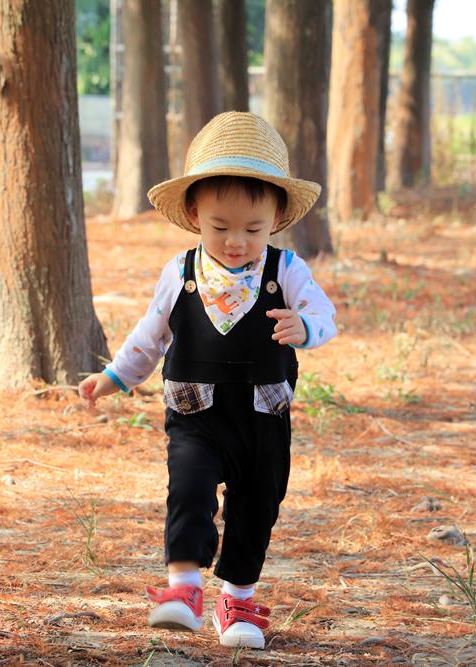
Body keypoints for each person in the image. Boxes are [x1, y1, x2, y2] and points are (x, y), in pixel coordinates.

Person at [77, 112, 337, 649]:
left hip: (263, 418)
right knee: (188, 488)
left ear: (277, 217)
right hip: (195, 416)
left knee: (258, 503)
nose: (237, 241)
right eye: (221, 228)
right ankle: (183, 589)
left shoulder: (286, 271)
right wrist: (113, 377)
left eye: (253, 229)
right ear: (195, 214)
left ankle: (237, 599)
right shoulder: (180, 272)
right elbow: (150, 336)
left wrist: (305, 326)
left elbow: (326, 315)